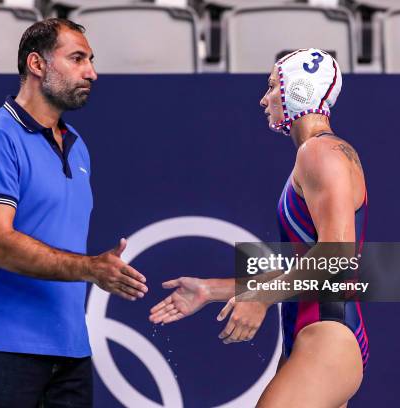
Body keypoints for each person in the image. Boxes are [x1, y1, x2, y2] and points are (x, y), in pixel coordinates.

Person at [149, 48, 368, 407]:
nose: (264, 99)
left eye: (271, 86)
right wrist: (210, 289)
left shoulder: (319, 153)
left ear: (296, 89)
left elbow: (336, 259)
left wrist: (263, 299)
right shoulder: (319, 155)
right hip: (317, 334)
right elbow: (305, 265)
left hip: (327, 335)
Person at [0, 18, 148, 407]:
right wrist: (92, 268)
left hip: (71, 351)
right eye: (77, 58)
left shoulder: (78, 146)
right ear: (37, 65)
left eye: (90, 60)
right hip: (2, 351)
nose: (91, 72)